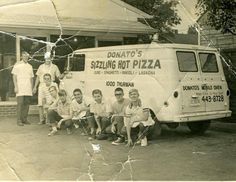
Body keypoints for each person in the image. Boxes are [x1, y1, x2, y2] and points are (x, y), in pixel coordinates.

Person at [33, 52, 61, 125]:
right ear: (44, 59)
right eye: (46, 58)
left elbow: (59, 76)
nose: (48, 60)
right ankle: (41, 119)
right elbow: (38, 77)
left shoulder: (55, 67)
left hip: (51, 85)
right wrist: (35, 87)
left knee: (50, 101)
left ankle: (49, 120)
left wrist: (65, 73)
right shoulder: (41, 66)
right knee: (40, 103)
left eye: (49, 58)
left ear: (51, 58)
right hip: (42, 85)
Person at [11, 51, 34, 126]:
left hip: (28, 88)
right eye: (24, 56)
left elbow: (31, 78)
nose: (26, 58)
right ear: (21, 57)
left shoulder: (30, 66)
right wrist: (15, 86)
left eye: (27, 56)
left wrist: (32, 87)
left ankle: (24, 119)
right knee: (20, 104)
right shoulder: (17, 65)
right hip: (20, 87)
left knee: (26, 104)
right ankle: (19, 120)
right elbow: (14, 76)